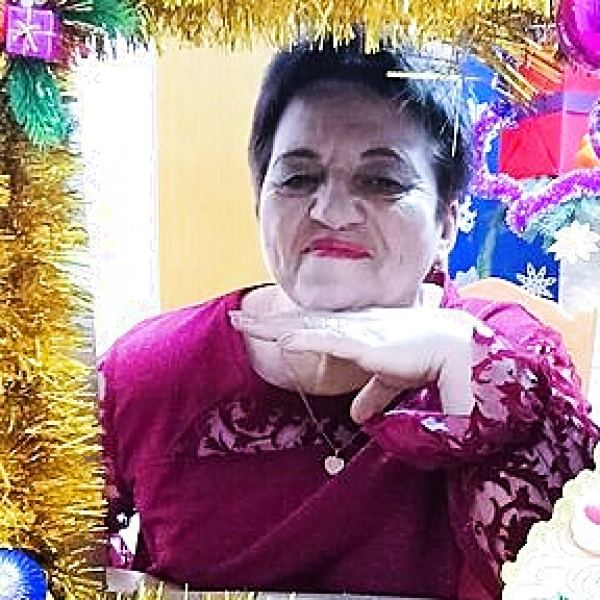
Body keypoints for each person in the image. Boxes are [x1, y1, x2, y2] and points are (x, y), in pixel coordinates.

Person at [100, 37, 599, 600]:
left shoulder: (504, 358)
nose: (331, 212)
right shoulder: (151, 371)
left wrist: (460, 383)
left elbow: (568, 576)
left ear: (447, 220)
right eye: (298, 178)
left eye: (382, 181)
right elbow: (48, 554)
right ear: (259, 199)